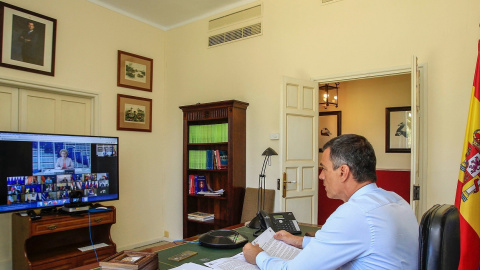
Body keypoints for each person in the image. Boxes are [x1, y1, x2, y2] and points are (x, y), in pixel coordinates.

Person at [243, 134, 419, 270]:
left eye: (324, 169)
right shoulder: (396, 200)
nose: (321, 176)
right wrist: (299, 241)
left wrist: (258, 256)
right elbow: (347, 242)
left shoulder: (355, 213)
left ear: (343, 172)